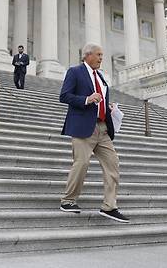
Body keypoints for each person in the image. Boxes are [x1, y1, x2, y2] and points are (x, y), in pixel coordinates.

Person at [58, 43, 129, 223]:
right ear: (87, 55)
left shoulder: (101, 77)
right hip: (83, 127)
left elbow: (102, 99)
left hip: (103, 128)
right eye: (98, 55)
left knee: (113, 163)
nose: (101, 58)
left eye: (102, 55)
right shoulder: (75, 72)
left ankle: (109, 206)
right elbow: (64, 96)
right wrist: (87, 99)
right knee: (81, 163)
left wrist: (109, 107)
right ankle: (68, 200)